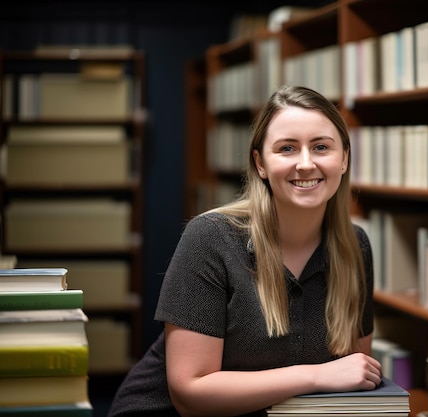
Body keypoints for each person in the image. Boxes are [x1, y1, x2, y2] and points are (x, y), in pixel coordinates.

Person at [108, 85, 381, 417]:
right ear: (260, 163)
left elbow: (355, 374)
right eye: (287, 149)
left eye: (321, 147)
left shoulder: (355, 247)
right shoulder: (210, 238)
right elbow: (190, 394)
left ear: (344, 159)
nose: (306, 164)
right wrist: (315, 376)